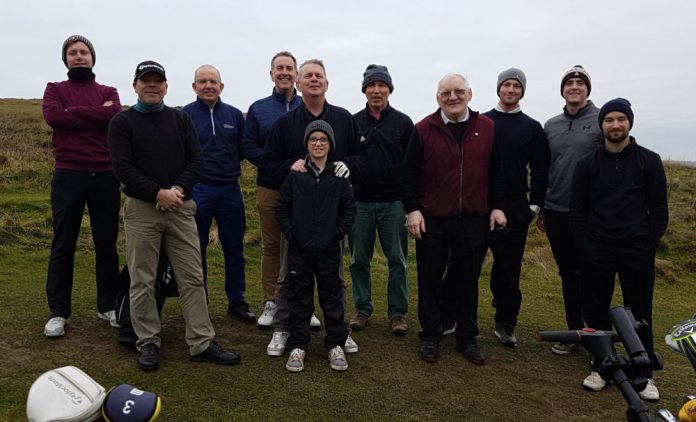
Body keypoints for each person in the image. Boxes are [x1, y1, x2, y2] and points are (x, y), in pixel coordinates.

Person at [107, 60, 240, 371]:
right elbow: (123, 168)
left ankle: (202, 342)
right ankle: (148, 341)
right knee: (142, 279)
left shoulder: (180, 119)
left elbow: (196, 159)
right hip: (142, 210)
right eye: (146, 80)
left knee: (192, 277)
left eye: (158, 81)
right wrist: (157, 193)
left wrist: (178, 189)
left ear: (166, 87)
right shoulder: (122, 123)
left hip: (180, 208)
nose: (152, 85)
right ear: (135, 85)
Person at [401, 73, 506, 365]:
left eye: (458, 91)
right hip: (432, 219)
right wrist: (412, 209)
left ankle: (466, 337)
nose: (453, 97)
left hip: (473, 218)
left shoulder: (487, 127)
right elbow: (407, 175)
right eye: (445, 93)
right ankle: (430, 335)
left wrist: (497, 207)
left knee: (467, 279)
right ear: (438, 98)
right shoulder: (423, 129)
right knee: (430, 278)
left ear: (469, 94)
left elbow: (497, 172)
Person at [264, 58, 366, 357]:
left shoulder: (344, 119)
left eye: (318, 75)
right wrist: (290, 165)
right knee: (289, 275)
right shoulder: (286, 123)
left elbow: (363, 155)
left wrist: (348, 164)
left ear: (327, 83)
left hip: (331, 215)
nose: (313, 79)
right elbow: (268, 162)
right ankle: (284, 327)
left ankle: (339, 331)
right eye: (307, 75)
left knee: (334, 277)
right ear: (298, 83)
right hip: (298, 214)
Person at [570, 98, 668, 400]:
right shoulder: (587, 164)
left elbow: (659, 209)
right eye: (609, 119)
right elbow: (577, 209)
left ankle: (644, 373)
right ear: (602, 124)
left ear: (629, 123)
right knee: (596, 309)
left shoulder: (649, 161)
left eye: (621, 119)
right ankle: (602, 366)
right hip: (596, 247)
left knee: (639, 311)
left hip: (636, 248)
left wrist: (649, 244)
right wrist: (584, 244)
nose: (615, 125)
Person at [41, 35, 122, 337]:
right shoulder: (55, 89)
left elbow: (113, 115)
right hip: (69, 174)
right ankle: (58, 312)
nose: (79, 56)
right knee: (64, 243)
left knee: (106, 244)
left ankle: (108, 305)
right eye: (73, 52)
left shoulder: (108, 91)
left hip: (105, 175)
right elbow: (53, 117)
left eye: (84, 52)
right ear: (66, 59)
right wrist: (96, 114)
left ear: (92, 57)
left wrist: (72, 113)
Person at [278, 120, 356, 372]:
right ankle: (298, 345)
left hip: (328, 249)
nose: (318, 144)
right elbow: (282, 208)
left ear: (330, 144)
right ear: (307, 144)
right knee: (300, 298)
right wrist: (292, 234)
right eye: (313, 139)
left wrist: (336, 234)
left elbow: (349, 211)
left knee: (332, 298)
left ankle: (335, 344)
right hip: (299, 249)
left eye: (323, 139)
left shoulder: (339, 177)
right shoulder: (296, 175)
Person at [482, 68, 549, 347]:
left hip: (514, 204)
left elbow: (541, 168)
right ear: (498, 88)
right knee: (464, 263)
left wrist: (534, 205)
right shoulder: (482, 121)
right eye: (506, 85)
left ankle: (506, 322)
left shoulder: (532, 127)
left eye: (516, 86)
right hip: (480, 202)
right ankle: (452, 316)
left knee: (508, 269)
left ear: (522, 91)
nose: (511, 90)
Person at [182, 65, 253, 323]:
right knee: (196, 248)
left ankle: (237, 300)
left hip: (230, 189)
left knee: (234, 247)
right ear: (194, 86)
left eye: (213, 81)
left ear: (221, 86)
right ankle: (200, 301)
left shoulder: (234, 115)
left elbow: (242, 150)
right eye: (202, 81)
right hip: (198, 188)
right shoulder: (185, 115)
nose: (208, 86)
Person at [539, 65, 602, 355]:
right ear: (562, 89)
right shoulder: (551, 125)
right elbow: (544, 168)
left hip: (590, 213)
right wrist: (542, 207)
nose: (574, 87)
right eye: (569, 83)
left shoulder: (601, 119)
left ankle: (596, 333)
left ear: (587, 89)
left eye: (580, 83)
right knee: (569, 273)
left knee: (593, 273)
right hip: (555, 210)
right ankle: (575, 331)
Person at [348, 64, 414, 335]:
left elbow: (411, 165)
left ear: (389, 89)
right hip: (359, 202)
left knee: (397, 259)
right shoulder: (353, 122)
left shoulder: (403, 123)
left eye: (381, 85)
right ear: (364, 90)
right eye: (371, 86)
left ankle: (397, 313)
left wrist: (410, 203)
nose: (376, 90)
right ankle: (362, 309)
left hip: (393, 203)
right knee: (358, 259)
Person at [242, 51, 303, 329]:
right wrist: (280, 166)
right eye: (279, 68)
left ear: (296, 74)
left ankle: (301, 302)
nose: (284, 72)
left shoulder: (308, 105)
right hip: (270, 186)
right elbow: (249, 146)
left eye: (289, 68)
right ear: (271, 74)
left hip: (305, 190)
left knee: (303, 246)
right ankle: (271, 301)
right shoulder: (258, 109)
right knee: (272, 246)